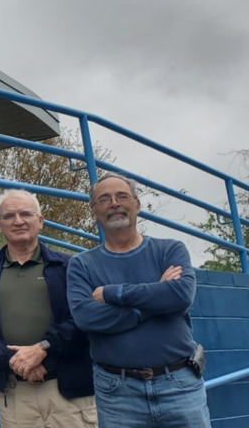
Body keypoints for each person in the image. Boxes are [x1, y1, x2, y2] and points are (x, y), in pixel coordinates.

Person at [67, 173, 209, 428]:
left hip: (179, 385)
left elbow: (179, 296)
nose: (114, 203)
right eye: (104, 199)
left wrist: (113, 293)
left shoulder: (170, 250)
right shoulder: (81, 265)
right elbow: (86, 317)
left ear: (137, 204)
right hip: (117, 393)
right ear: (93, 210)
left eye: (122, 196)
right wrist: (153, 301)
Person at [0, 189, 96, 428]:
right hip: (16, 393)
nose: (18, 221)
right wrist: (19, 362)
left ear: (40, 221)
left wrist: (44, 352)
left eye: (26, 213)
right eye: (9, 216)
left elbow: (83, 319)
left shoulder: (69, 267)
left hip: (68, 391)